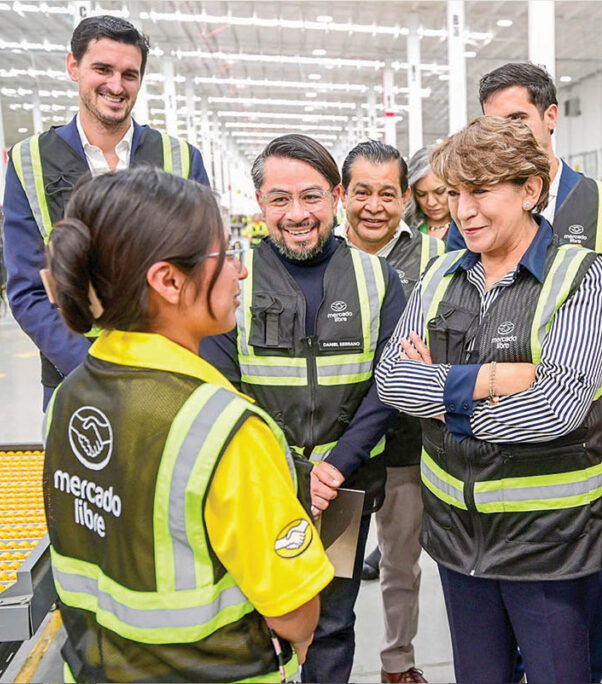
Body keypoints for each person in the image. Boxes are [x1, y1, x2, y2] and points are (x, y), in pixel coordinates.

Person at [41, 167, 332, 682]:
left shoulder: (69, 398)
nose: (240, 272)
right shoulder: (222, 429)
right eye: (226, 255)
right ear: (169, 281)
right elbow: (293, 612)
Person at [376, 116, 602, 684]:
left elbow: (557, 405)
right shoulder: (441, 275)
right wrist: (489, 380)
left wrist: (440, 395)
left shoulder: (580, 276)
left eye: (480, 191)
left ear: (530, 190)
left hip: (547, 541)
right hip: (457, 535)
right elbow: (391, 380)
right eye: (454, 193)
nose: (463, 211)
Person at [445, 61, 602, 680]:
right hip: (479, 474)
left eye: (517, 119)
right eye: (492, 122)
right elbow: (453, 327)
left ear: (550, 116)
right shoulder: (470, 209)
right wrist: (483, 390)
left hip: (575, 443)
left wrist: (586, 400)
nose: (505, 133)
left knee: (572, 612)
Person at [199, 134, 406, 684]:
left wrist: (332, 468)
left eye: (311, 196)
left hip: (344, 488)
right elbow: (222, 389)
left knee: (332, 621)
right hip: (257, 486)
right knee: (253, 615)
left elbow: (389, 385)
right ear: (260, 203)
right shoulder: (232, 279)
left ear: (336, 197)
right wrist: (291, 472)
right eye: (280, 199)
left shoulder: (378, 278)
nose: (297, 214)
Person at [4, 15, 209, 408]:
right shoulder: (30, 162)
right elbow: (28, 290)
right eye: (102, 69)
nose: (116, 86)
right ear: (73, 66)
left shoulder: (181, 159)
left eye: (130, 74)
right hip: (73, 376)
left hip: (167, 374)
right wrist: (92, 370)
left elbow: (201, 274)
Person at [335, 141, 443, 684]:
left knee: (401, 561)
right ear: (342, 195)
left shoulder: (435, 257)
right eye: (362, 193)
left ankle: (397, 663)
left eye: (387, 194)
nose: (374, 207)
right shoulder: (324, 254)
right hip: (338, 446)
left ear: (406, 198)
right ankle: (320, 664)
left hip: (406, 439)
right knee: (332, 569)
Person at [404, 147, 452, 241]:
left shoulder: (470, 227)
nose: (431, 203)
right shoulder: (404, 229)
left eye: (439, 192)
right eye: (421, 194)